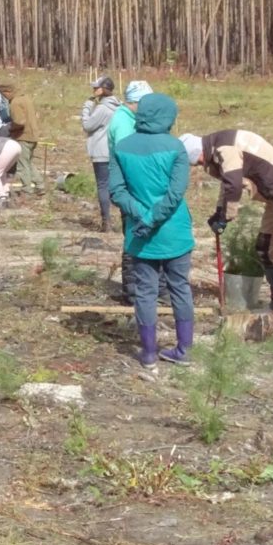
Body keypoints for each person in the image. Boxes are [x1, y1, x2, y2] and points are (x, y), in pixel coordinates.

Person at [188, 128, 273, 335]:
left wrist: (224, 217)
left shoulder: (225, 148)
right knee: (265, 249)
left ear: (198, 153)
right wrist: (219, 212)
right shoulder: (218, 145)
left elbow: (233, 185)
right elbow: (229, 184)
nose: (199, 165)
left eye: (197, 162)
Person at [108, 93, 196, 367]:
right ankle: (183, 350)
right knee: (180, 287)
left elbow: (116, 191)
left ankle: (147, 354)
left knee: (145, 291)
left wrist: (142, 216)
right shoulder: (176, 147)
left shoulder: (122, 147)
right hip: (174, 232)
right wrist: (155, 217)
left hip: (140, 233)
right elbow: (175, 194)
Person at [110, 80, 153, 304]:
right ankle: (134, 292)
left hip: (133, 187)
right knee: (134, 237)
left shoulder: (128, 119)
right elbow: (129, 158)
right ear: (135, 102)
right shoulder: (123, 123)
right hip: (130, 189)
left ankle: (140, 289)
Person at [81, 75, 123, 232]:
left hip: (101, 151)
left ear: (103, 89)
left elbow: (88, 125)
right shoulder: (119, 107)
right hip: (115, 151)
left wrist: (86, 107)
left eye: (96, 87)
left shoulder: (102, 109)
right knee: (115, 186)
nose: (93, 90)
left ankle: (106, 222)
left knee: (103, 186)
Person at [4, 81, 43, 193]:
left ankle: (27, 188)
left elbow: (20, 122)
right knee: (28, 162)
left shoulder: (15, 103)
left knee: (22, 164)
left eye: (4, 94)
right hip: (33, 135)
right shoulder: (26, 98)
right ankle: (40, 184)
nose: (4, 98)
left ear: (8, 92)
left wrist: (10, 129)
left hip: (23, 136)